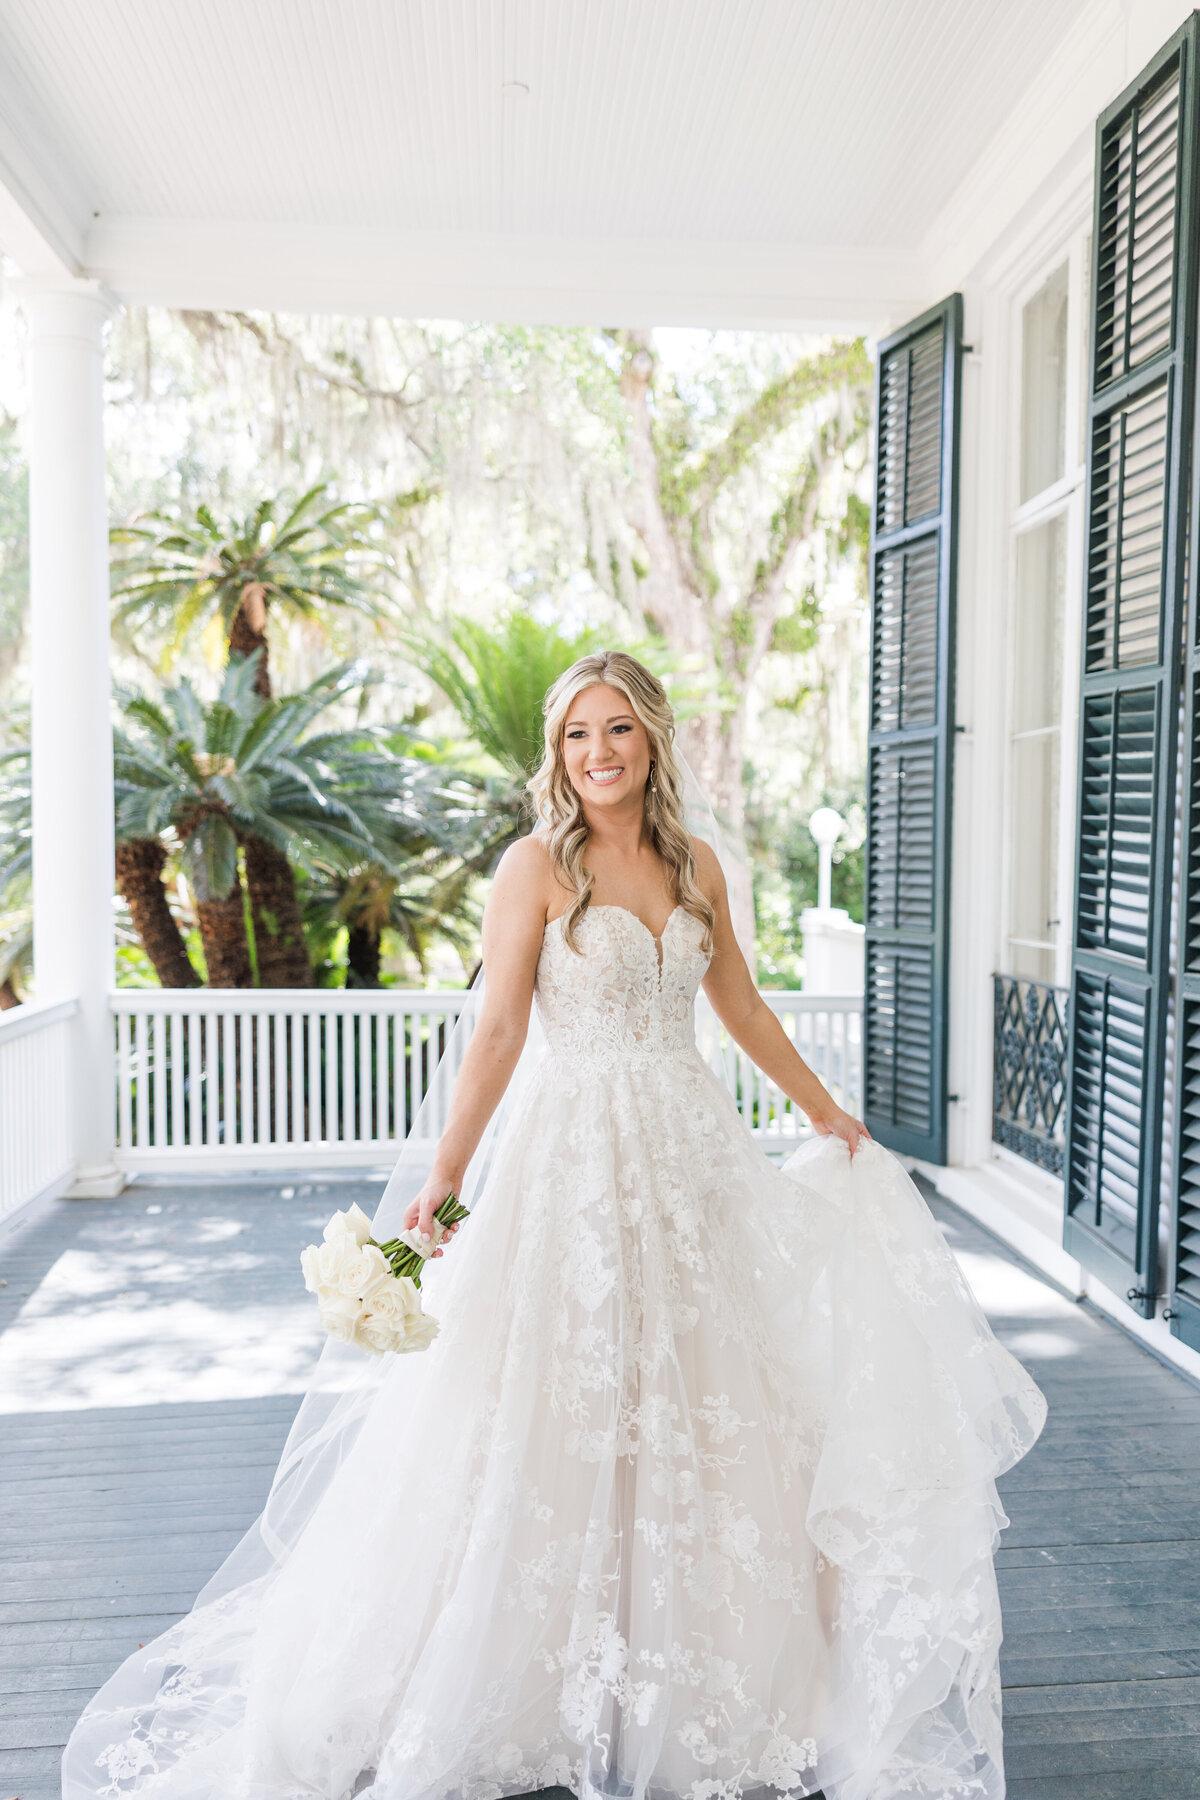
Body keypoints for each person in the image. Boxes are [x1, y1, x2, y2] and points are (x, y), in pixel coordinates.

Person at [63, 650, 1046, 1800]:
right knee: (551, 1396)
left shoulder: (697, 866)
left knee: (702, 1389)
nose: (598, 755)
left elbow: (738, 1004)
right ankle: (520, 1663)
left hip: (688, 1154)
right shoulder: (534, 868)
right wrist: (447, 1177)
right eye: (578, 735)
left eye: (618, 731)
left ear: (653, 741)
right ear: (557, 753)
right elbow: (495, 1038)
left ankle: (709, 1667)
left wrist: (828, 1111)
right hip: (569, 1158)